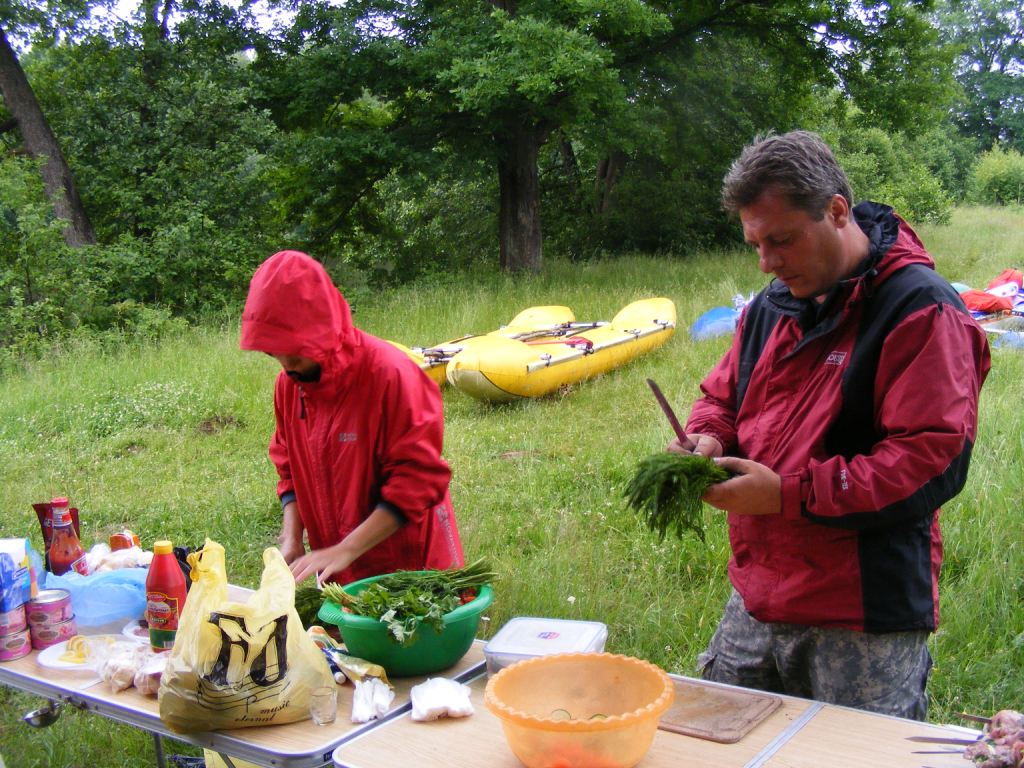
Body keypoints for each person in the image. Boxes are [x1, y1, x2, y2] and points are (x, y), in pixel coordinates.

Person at [672, 131, 990, 720]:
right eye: (756, 244)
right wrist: (708, 435)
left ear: (837, 211)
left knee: (859, 755)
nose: (767, 262)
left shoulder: (920, 310)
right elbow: (722, 398)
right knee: (713, 739)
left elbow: (929, 463)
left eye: (782, 240)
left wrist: (786, 495)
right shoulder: (772, 306)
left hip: (862, 609)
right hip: (760, 589)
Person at [240, 250, 464, 585]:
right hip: (343, 573)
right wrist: (291, 536)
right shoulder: (289, 387)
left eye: (293, 348)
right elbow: (289, 466)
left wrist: (346, 548)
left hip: (411, 569)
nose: (286, 362)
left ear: (318, 328)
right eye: (273, 350)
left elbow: (417, 481)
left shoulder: (390, 375)